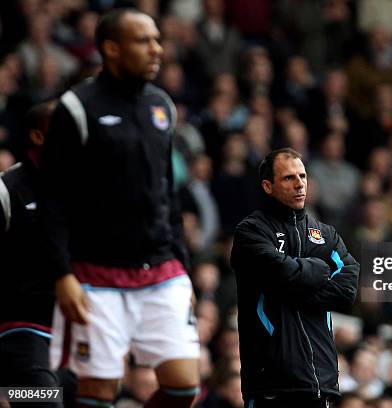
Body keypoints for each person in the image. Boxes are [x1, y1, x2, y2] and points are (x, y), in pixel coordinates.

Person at [39, 8, 199, 408]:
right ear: (111, 49)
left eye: (157, 39)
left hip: (161, 271)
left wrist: (183, 266)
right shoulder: (76, 107)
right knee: (97, 395)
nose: (156, 49)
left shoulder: (162, 106)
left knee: (183, 388)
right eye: (143, 41)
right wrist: (62, 274)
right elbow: (53, 198)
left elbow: (168, 193)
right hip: (96, 276)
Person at [231, 148, 360, 407]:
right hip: (271, 382)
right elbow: (278, 271)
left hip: (320, 381)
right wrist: (320, 270)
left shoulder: (326, 234)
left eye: (303, 176)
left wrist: (293, 285)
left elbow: (348, 289)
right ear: (268, 186)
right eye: (289, 178)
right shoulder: (251, 231)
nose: (300, 184)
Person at [0, 101, 61, 403]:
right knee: (40, 400)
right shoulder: (7, 190)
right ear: (37, 137)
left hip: (76, 336)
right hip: (23, 331)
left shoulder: (93, 188)